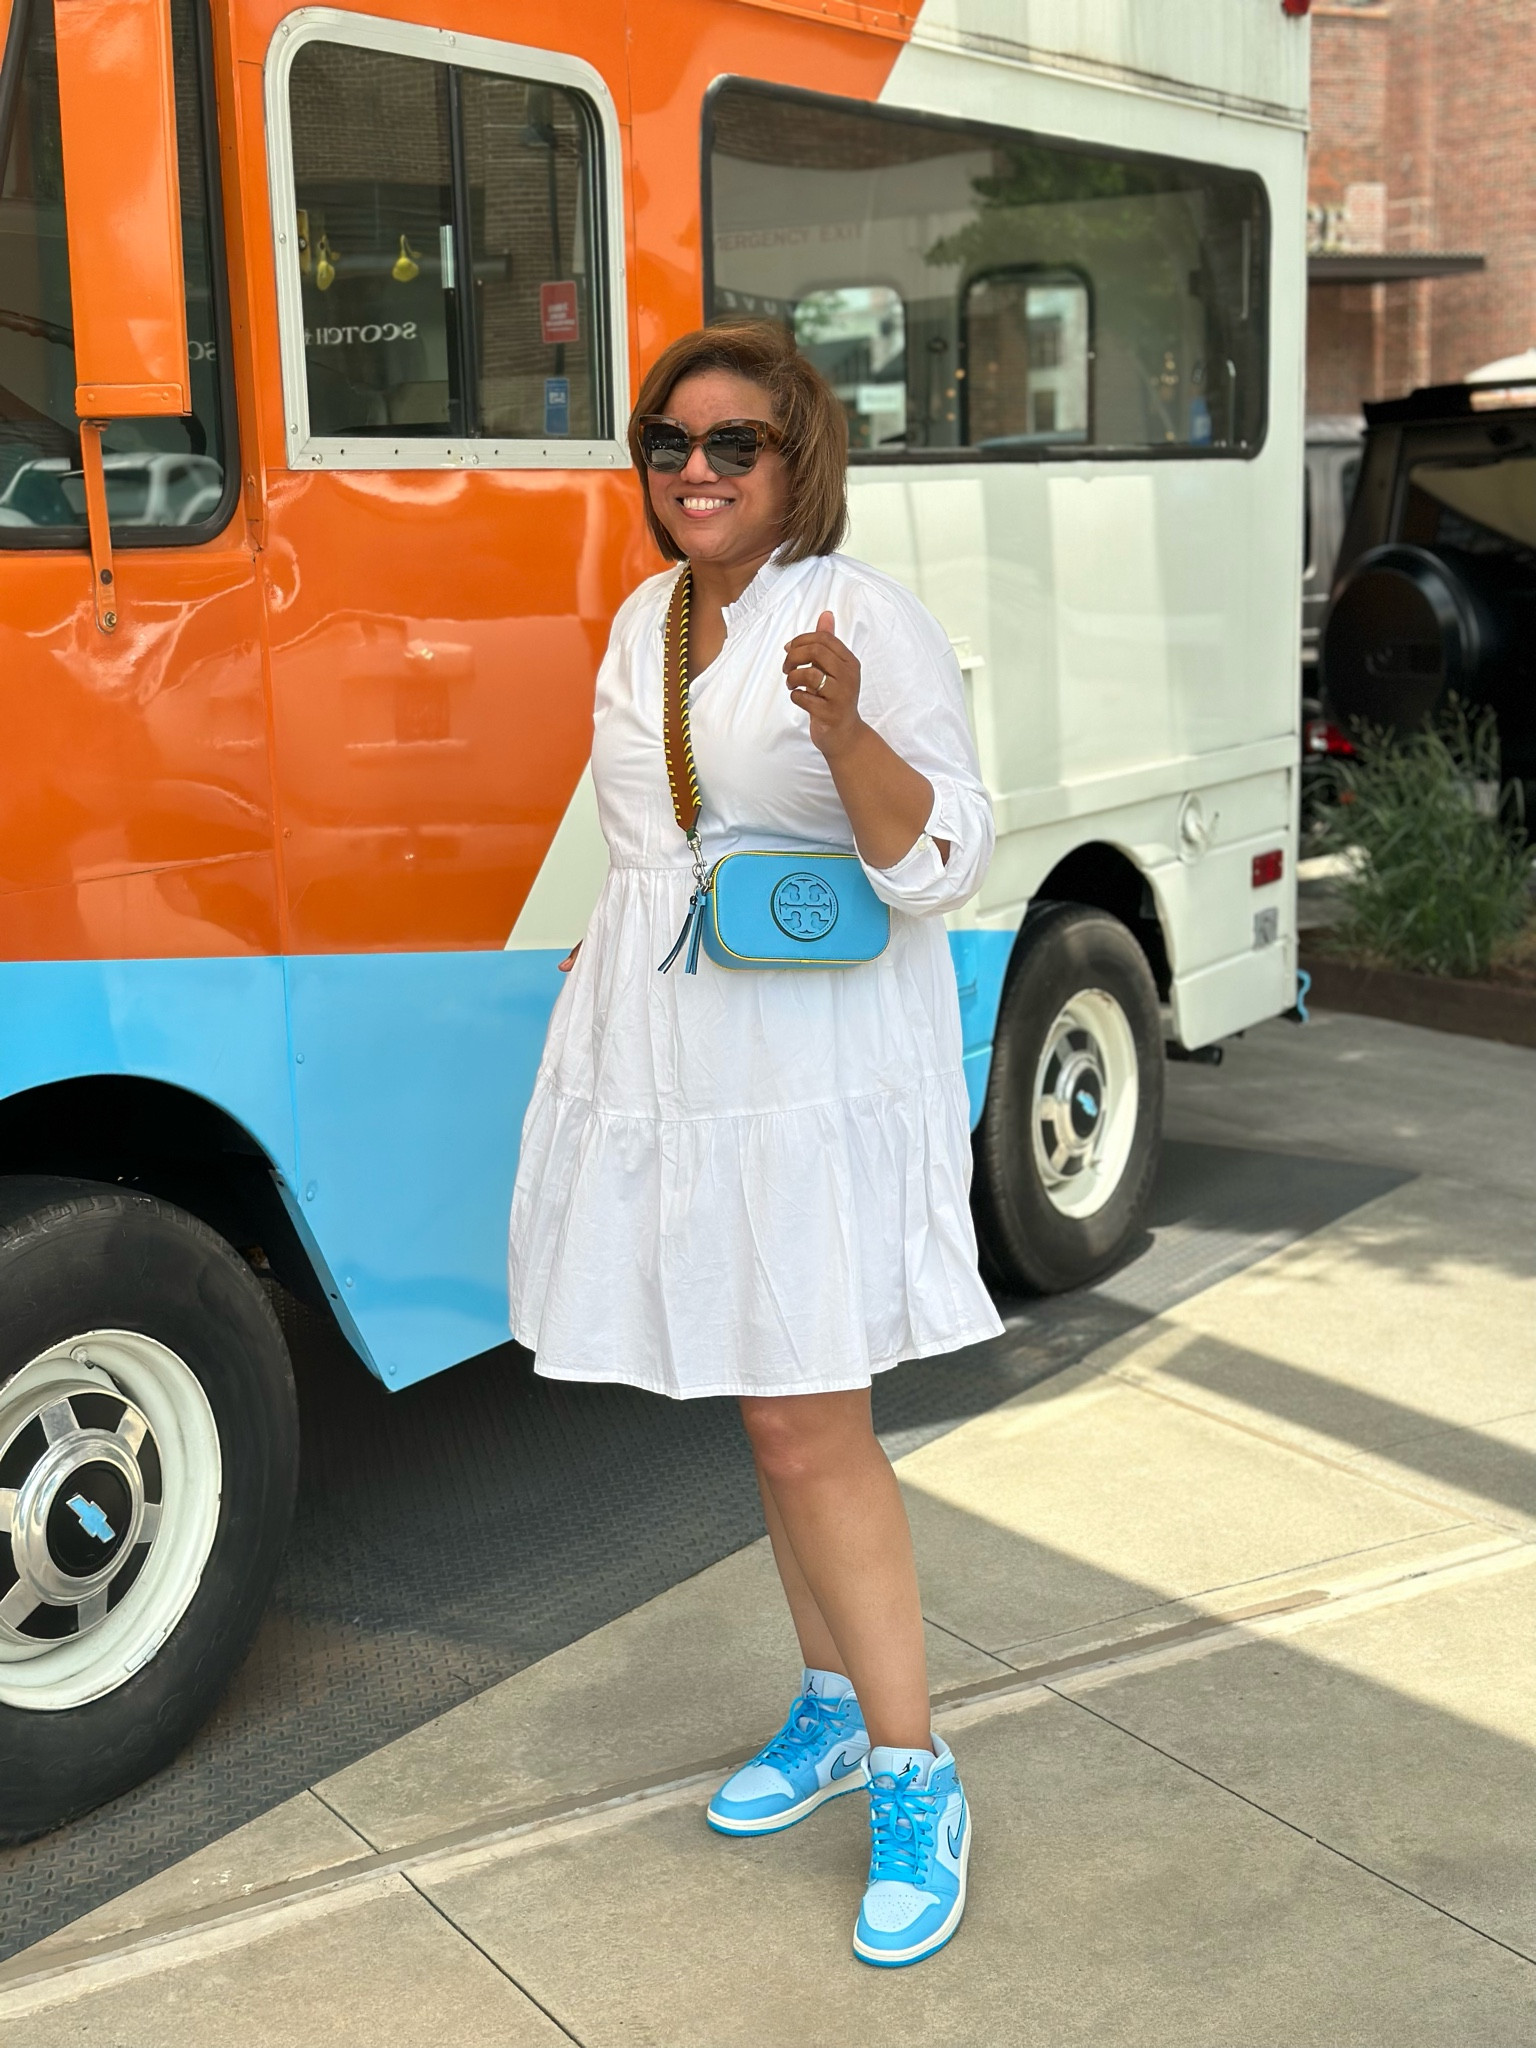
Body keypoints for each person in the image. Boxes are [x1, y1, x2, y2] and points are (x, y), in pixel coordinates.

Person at [508, 320, 1002, 1968]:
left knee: (810, 1419)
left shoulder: (858, 615)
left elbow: (944, 864)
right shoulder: (651, 615)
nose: (696, 470)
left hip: (808, 1062)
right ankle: (832, 1706)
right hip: (677, 1043)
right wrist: (607, 945)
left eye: (734, 444)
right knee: (760, 1395)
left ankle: (918, 1765)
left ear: (799, 459)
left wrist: (853, 727)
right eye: (671, 444)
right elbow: (651, 829)